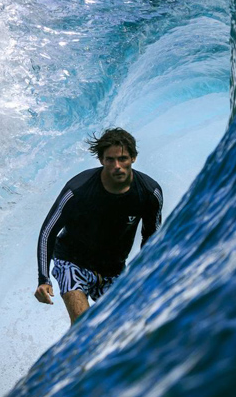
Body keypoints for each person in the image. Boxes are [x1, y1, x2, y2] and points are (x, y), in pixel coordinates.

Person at [34, 128, 163, 325]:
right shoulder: (79, 190)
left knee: (123, 330)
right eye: (110, 160)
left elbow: (151, 238)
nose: (117, 166)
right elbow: (48, 232)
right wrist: (44, 279)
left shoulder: (148, 192)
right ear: (101, 160)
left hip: (114, 270)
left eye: (123, 159)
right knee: (83, 325)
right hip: (72, 261)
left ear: (134, 158)